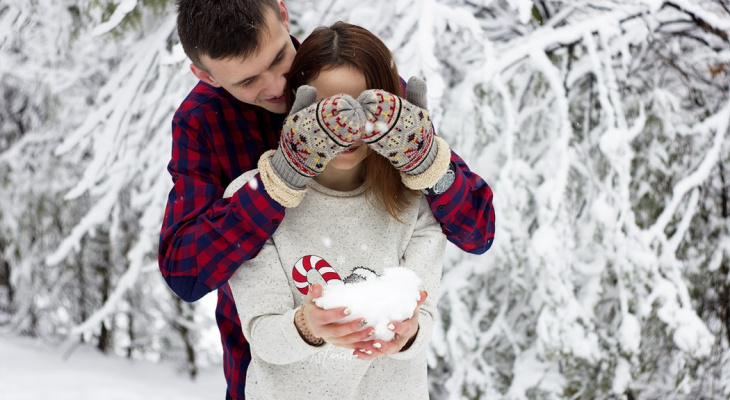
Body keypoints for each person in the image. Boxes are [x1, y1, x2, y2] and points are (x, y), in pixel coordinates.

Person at [159, 1, 495, 398]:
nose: (276, 86)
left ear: (283, 15)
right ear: (205, 74)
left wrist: (428, 163)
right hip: (270, 372)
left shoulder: (364, 86)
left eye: (280, 58)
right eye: (248, 81)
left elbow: (477, 231)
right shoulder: (204, 121)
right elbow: (186, 271)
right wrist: (279, 182)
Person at [226, 21, 447, 399]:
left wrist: (407, 335)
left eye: (362, 107)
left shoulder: (417, 201)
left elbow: (422, 319)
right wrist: (307, 325)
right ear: (297, 107)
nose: (346, 128)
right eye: (329, 110)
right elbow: (262, 335)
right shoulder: (255, 199)